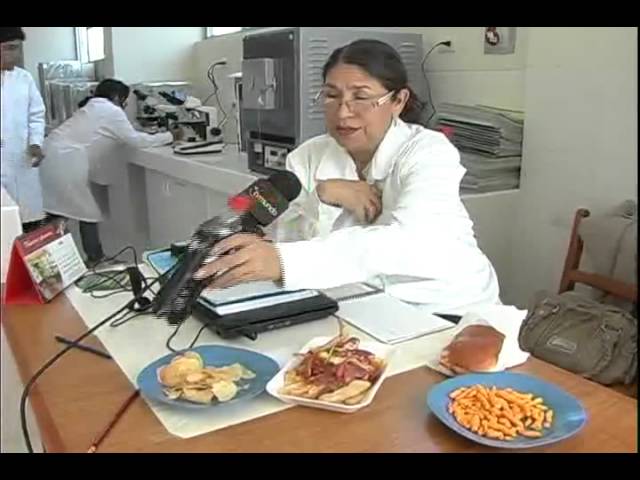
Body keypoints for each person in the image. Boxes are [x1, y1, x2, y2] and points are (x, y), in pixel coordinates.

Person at [194, 39, 500, 315]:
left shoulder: (429, 152)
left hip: (445, 307)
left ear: (398, 101)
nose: (343, 113)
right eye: (332, 96)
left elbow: (410, 241)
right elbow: (242, 206)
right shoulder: (309, 155)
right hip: (356, 304)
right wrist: (322, 192)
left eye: (361, 97)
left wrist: (285, 260)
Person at [39, 78, 182, 266]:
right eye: (125, 100)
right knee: (84, 212)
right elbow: (135, 140)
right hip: (66, 161)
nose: (125, 104)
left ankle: (50, 261)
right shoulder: (110, 110)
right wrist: (171, 136)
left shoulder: (92, 108)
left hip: (50, 156)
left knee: (60, 212)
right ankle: (92, 259)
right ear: (116, 97)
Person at [0, 27, 47, 232]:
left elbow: (36, 115)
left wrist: (35, 142)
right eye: (10, 48)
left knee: (29, 225)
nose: (16, 55)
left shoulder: (23, 78)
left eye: (18, 49)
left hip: (21, 162)